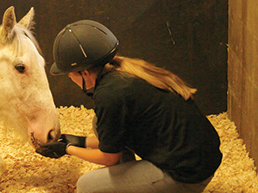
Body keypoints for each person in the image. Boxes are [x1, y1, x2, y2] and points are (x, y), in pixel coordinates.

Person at [36, 20, 222, 193]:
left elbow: (110, 158)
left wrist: (68, 149)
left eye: (70, 75)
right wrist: (80, 141)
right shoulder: (125, 70)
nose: (69, 78)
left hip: (186, 176)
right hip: (199, 160)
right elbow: (115, 135)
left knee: (87, 185)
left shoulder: (110, 95)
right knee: (97, 123)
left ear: (84, 73)